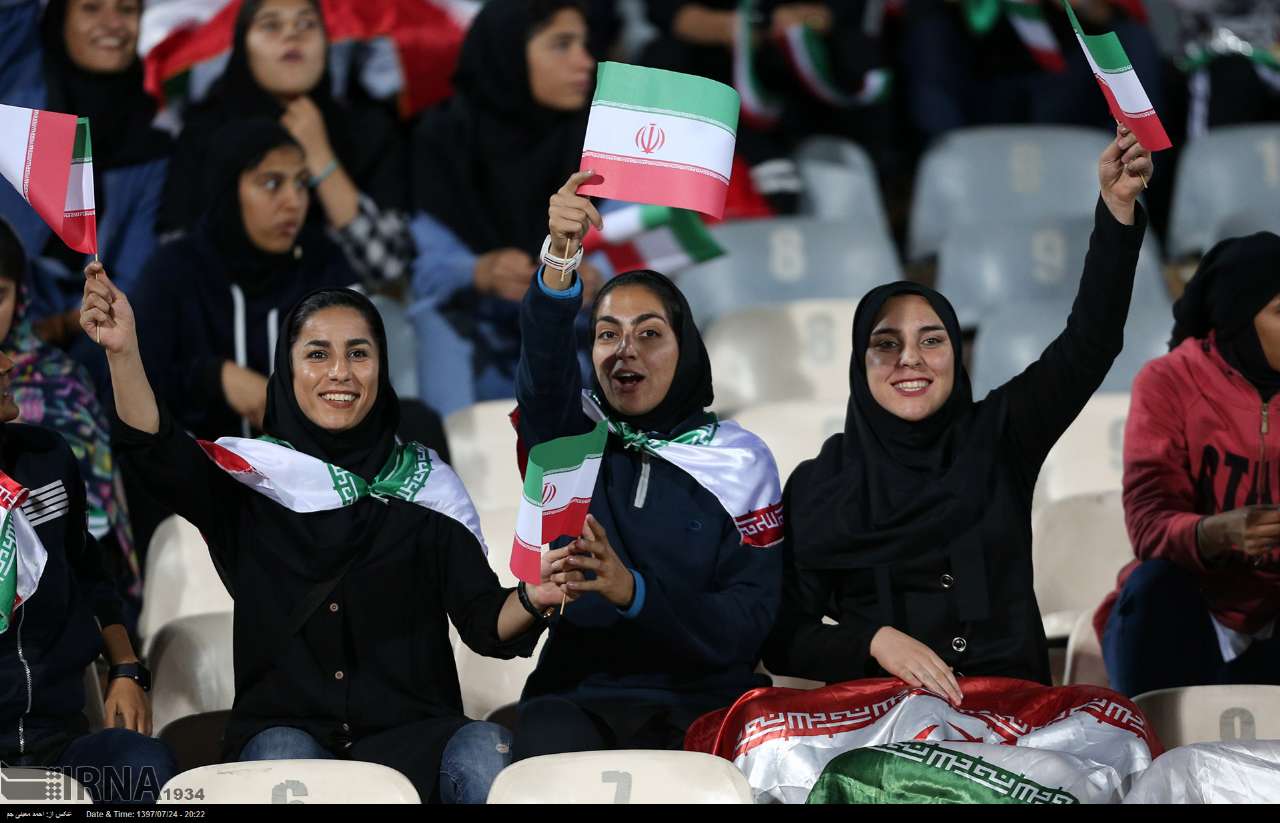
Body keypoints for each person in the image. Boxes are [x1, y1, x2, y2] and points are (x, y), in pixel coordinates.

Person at [87, 270, 580, 803]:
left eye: (358, 354)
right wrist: (123, 353)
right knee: (283, 757)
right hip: (287, 730)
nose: (340, 372)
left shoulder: (425, 487)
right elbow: (158, 451)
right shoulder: (253, 482)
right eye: (317, 354)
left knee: (486, 749)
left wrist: (533, 597)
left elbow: (485, 622)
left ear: (382, 368)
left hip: (414, 736)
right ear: (287, 369)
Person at [762, 126, 1153, 701]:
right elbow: (782, 637)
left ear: (956, 354)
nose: (910, 359)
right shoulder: (820, 485)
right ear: (859, 365)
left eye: (932, 340)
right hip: (879, 723)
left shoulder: (999, 436)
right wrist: (873, 642)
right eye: (886, 344)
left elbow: (1090, 343)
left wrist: (1117, 209)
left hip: (1011, 717)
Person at [509, 170, 783, 760]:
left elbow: (749, 619)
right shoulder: (571, 436)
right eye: (607, 334)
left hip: (706, 700)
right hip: (579, 695)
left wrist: (633, 592)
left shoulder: (738, 461)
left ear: (686, 351)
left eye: (650, 334)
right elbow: (543, 371)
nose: (625, 351)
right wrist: (560, 257)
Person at [1098, 231, 1280, 696]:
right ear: (1239, 318)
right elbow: (1148, 524)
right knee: (1155, 586)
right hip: (1191, 611)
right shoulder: (1169, 382)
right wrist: (1214, 533)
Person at [0, 334, 174, 803]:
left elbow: (91, 575)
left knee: (144, 766)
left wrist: (126, 669)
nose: (8, 364)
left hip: (59, 741)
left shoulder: (48, 458)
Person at [409, 0, 602, 415]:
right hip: (477, 343)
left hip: (576, 341)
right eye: (562, 45)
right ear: (508, 52)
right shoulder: (443, 139)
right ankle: (455, 450)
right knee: (437, 318)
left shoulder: (595, 138)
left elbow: (632, 237)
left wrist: (598, 279)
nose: (585, 62)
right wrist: (478, 271)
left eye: (584, 45)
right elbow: (420, 269)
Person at [135, 119, 358, 442]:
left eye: (301, 183)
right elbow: (134, 392)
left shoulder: (324, 265)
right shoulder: (175, 271)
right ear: (228, 190)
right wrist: (214, 378)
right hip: (198, 468)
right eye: (272, 183)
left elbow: (362, 383)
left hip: (312, 467)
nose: (294, 201)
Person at [161, 0, 413, 284]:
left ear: (326, 42)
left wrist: (319, 156)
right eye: (271, 25)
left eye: (307, 24)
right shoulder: (203, 133)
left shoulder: (368, 130)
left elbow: (388, 269)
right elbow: (176, 262)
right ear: (243, 45)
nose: (292, 34)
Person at [0, 0, 171, 386]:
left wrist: (64, 326)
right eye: (91, 8)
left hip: (71, 347)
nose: (113, 24)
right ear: (58, 18)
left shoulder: (149, 148)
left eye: (127, 10)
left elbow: (129, 281)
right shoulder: (15, 84)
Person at [0, 219, 138, 607]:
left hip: (62, 594)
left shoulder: (61, 384)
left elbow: (89, 534)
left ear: (21, 294)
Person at [641, 0, 888, 214]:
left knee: (856, 60)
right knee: (666, 63)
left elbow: (842, 10)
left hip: (803, 66)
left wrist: (806, 20)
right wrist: (729, 28)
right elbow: (670, 14)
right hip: (710, 71)